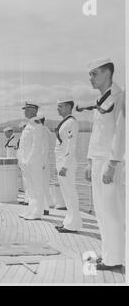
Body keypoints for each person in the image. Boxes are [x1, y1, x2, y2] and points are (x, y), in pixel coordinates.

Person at [83, 58, 125, 270]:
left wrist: (112, 163)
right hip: (98, 161)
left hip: (110, 163)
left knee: (112, 210)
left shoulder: (119, 97)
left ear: (107, 74)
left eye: (95, 74)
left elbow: (120, 132)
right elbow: (96, 135)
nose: (91, 78)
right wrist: (90, 162)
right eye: (90, 74)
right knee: (101, 211)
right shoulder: (101, 100)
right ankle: (110, 255)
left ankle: (116, 259)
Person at [53, 98, 82, 233]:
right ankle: (68, 222)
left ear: (68, 107)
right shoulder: (65, 122)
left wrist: (64, 166)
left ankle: (73, 224)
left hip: (67, 164)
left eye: (60, 106)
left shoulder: (71, 123)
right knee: (66, 194)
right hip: (62, 163)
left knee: (70, 194)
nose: (57, 109)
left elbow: (72, 145)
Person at [17, 102, 44, 220]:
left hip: (33, 163)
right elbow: (23, 146)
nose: (25, 111)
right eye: (25, 109)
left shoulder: (37, 125)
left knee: (36, 187)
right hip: (26, 163)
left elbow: (36, 146)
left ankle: (37, 212)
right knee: (30, 188)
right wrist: (21, 160)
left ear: (34, 110)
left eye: (27, 109)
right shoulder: (30, 125)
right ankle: (31, 210)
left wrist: (29, 161)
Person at [34, 112, 53, 215]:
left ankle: (45, 208)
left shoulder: (43, 131)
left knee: (43, 185)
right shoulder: (42, 130)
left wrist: (42, 163)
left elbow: (44, 148)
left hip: (42, 163)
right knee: (41, 185)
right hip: (41, 162)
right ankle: (43, 207)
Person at [17, 121, 28, 205]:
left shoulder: (27, 136)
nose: (21, 130)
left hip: (26, 163)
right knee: (25, 182)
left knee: (28, 183)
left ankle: (27, 200)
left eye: (22, 128)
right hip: (22, 163)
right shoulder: (23, 137)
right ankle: (26, 199)